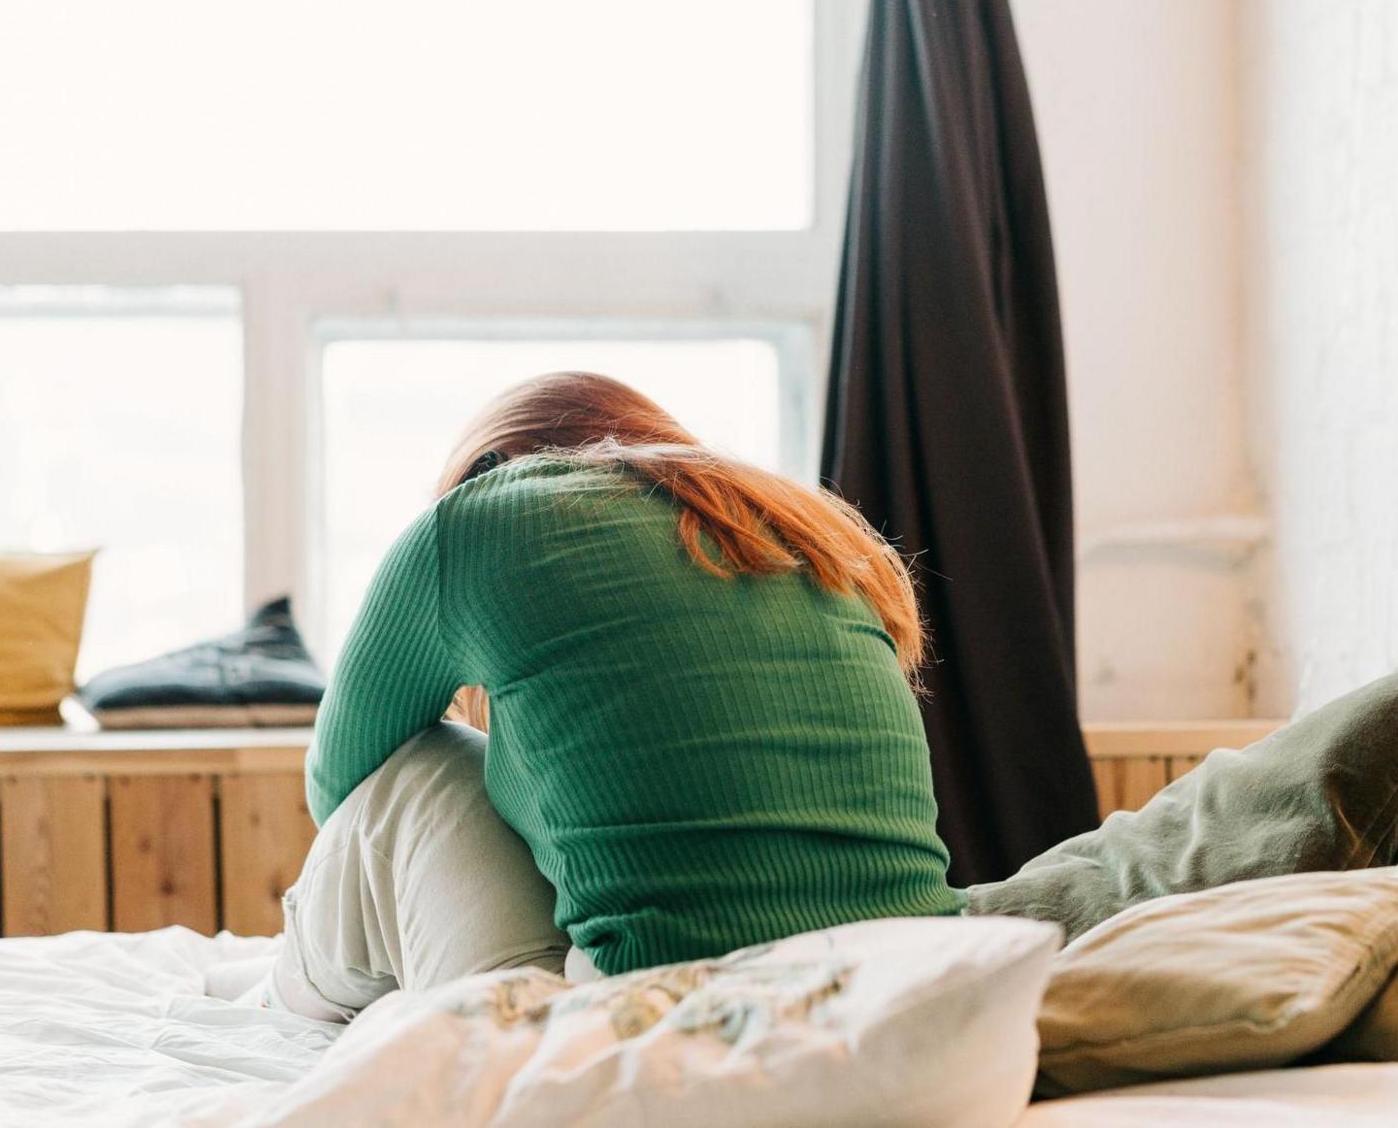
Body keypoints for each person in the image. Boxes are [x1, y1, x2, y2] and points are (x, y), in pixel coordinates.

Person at [260, 371, 964, 1020]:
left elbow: (342, 792)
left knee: (426, 765)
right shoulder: (805, 529)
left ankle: (275, 988)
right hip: (906, 985)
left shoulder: (476, 519)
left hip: (652, 1017)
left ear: (486, 469)